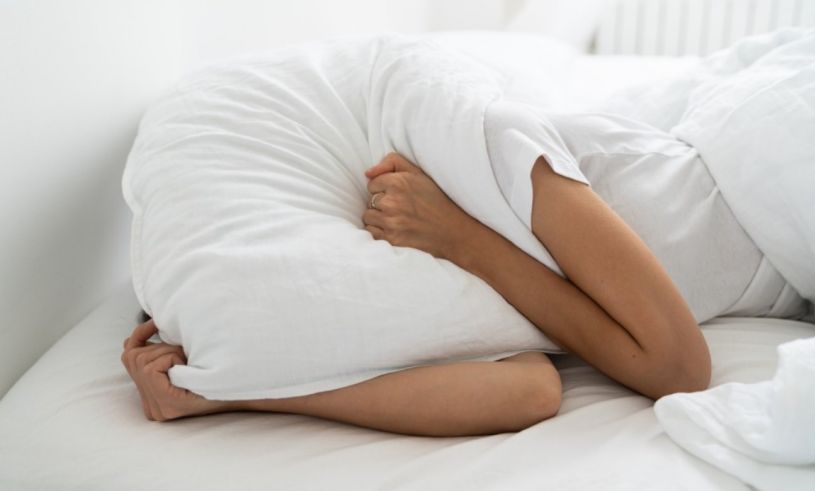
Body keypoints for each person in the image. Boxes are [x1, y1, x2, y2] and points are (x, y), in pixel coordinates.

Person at [121, 106, 718, 437]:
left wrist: (466, 240)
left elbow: (680, 369)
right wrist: (236, 391)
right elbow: (529, 391)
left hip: (731, 170)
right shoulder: (417, 295)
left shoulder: (481, 154)